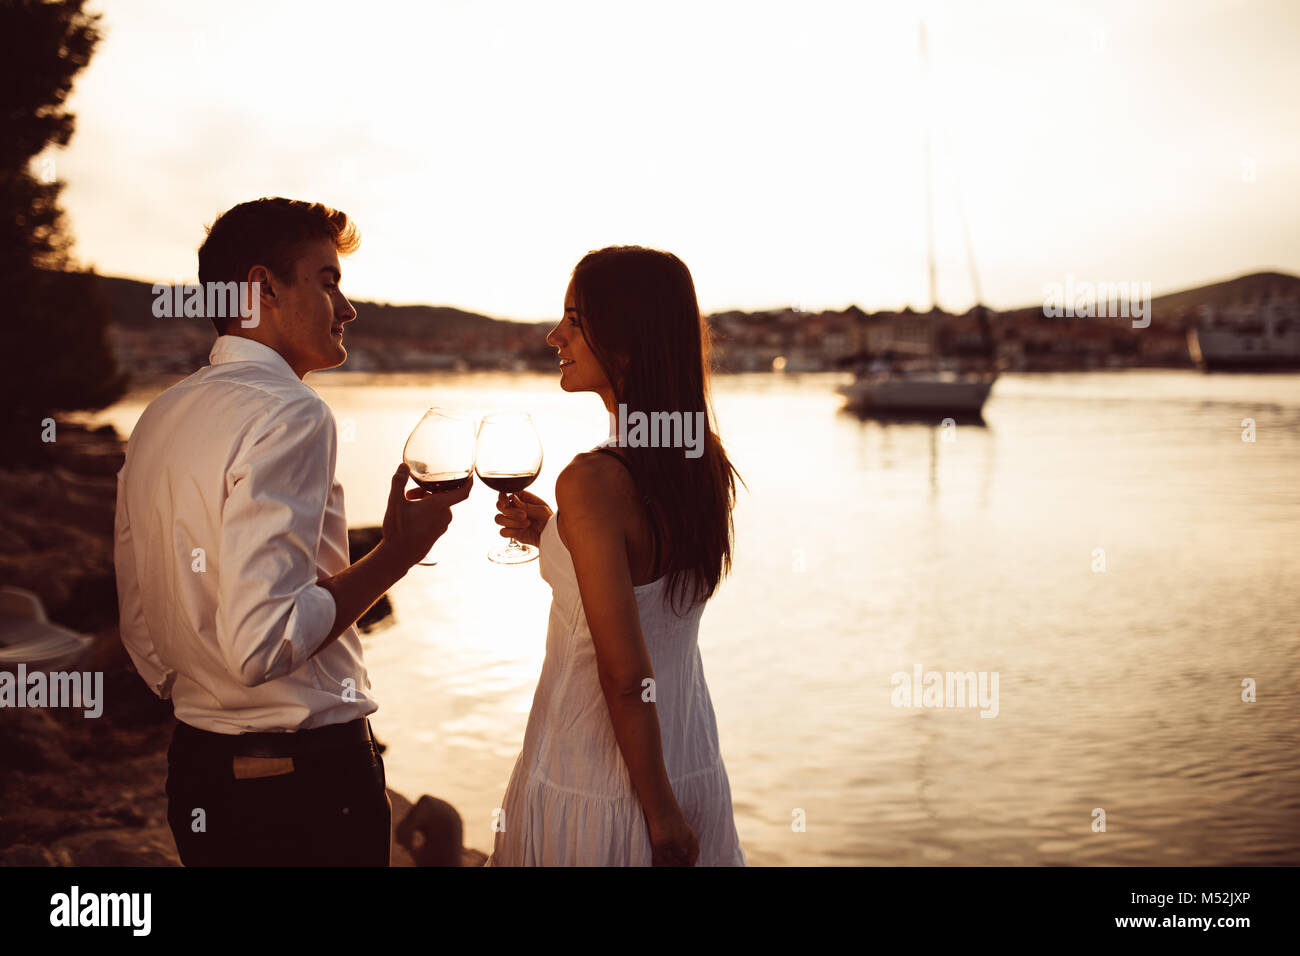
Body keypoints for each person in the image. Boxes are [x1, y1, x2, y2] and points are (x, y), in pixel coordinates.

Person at [113, 197, 470, 866]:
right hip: (305, 791)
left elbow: (142, 629)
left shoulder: (161, 414)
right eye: (329, 280)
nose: (348, 308)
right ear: (262, 288)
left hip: (198, 770)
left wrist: (210, 701)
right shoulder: (292, 412)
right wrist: (398, 554)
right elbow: (263, 642)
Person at [486, 246, 747, 866]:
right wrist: (556, 535)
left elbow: (627, 678)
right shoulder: (699, 457)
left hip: (603, 784)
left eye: (574, 320)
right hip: (690, 761)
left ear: (625, 342)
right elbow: (647, 584)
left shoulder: (591, 481)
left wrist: (659, 817)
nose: (554, 336)